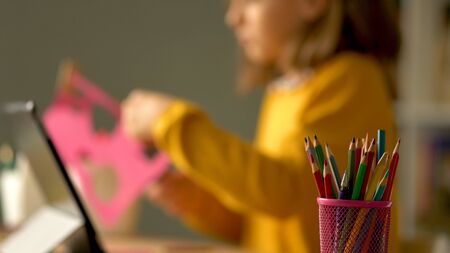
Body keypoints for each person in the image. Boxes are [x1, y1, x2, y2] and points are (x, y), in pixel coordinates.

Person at [121, 0, 401, 252]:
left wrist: (172, 124)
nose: (233, 17)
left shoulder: (351, 81)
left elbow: (283, 192)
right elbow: (263, 222)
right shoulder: (283, 92)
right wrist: (195, 201)